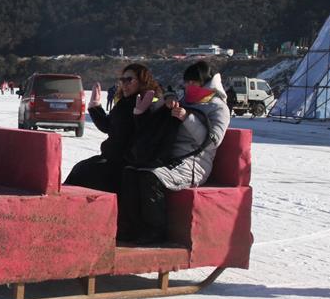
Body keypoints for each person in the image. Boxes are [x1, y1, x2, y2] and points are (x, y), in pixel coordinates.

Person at [117, 61, 230, 245]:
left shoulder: (218, 107)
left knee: (150, 177)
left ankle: (155, 231)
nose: (188, 87)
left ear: (206, 82)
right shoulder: (186, 99)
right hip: (170, 156)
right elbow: (160, 112)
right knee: (130, 172)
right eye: (186, 83)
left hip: (195, 162)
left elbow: (213, 142)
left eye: (193, 83)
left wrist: (187, 118)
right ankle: (130, 228)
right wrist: (167, 99)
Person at [64, 64, 162, 194]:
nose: (124, 84)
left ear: (142, 81)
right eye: (122, 80)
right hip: (111, 158)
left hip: (127, 163)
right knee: (81, 169)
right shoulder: (123, 103)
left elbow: (146, 136)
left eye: (129, 80)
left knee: (86, 173)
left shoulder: (149, 103)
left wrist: (141, 115)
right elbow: (109, 127)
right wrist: (95, 108)